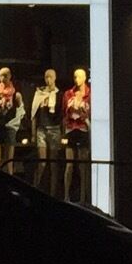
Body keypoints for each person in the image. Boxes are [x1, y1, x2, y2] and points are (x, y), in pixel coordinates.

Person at [27, 68, 63, 193]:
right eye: (46, 77)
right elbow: (33, 114)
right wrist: (33, 133)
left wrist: (62, 133)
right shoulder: (39, 94)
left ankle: (52, 192)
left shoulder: (59, 94)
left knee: (53, 164)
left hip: (54, 130)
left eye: (51, 77)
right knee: (42, 162)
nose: (48, 80)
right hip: (41, 130)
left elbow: (61, 114)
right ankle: (36, 188)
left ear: (55, 78)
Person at [61, 68, 93, 203]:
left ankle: (82, 198)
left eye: (79, 77)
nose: (76, 79)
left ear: (85, 77)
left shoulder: (90, 94)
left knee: (82, 165)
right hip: (70, 129)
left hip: (83, 129)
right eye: (75, 77)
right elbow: (63, 113)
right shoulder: (68, 94)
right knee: (69, 164)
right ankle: (66, 196)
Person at [0, 67, 24, 172]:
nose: (3, 78)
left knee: (9, 162)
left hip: (9, 127)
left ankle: (9, 185)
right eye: (1, 75)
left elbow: (21, 112)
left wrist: (14, 125)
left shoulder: (16, 94)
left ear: (10, 76)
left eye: (5, 75)